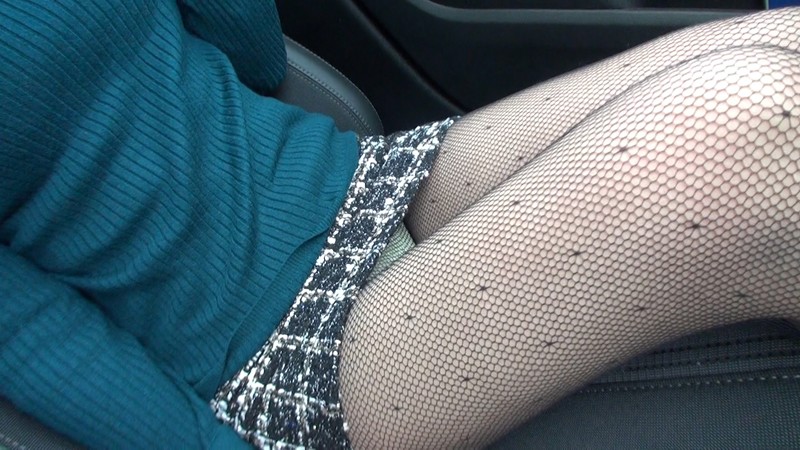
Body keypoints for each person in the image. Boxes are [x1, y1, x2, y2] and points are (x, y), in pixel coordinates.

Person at [0, 0, 797, 448]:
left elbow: (253, 53)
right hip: (278, 354)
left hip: (353, 182)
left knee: (780, 42)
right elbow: (30, 342)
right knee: (752, 123)